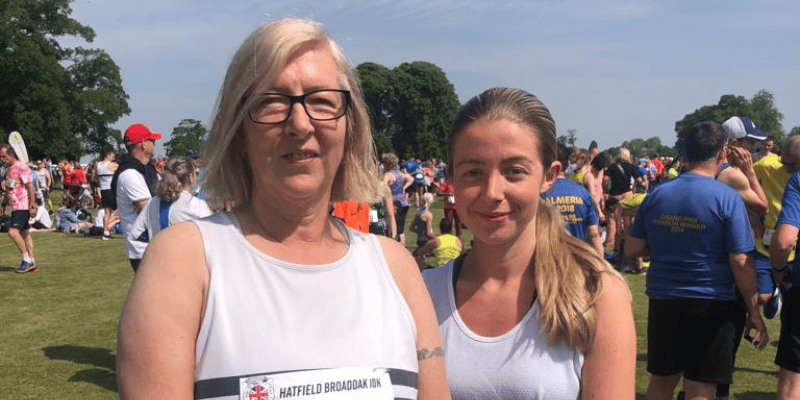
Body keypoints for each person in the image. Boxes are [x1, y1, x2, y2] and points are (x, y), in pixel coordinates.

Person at [116, 18, 449, 400]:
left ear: (350, 126)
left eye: (322, 101)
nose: (300, 123)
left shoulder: (396, 267)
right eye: (272, 103)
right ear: (239, 131)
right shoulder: (185, 262)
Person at [423, 87, 635, 399]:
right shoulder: (422, 294)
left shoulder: (596, 294)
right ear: (452, 177)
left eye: (514, 171)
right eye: (473, 172)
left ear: (549, 176)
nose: (492, 191)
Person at [626, 121, 768, 400]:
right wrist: (753, 311)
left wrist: (671, 245)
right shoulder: (728, 198)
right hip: (712, 301)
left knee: (661, 381)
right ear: (721, 155)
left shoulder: (658, 193)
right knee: (701, 388)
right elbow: (740, 260)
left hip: (664, 298)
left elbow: (632, 248)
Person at [769, 135, 800, 400]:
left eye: (788, 165)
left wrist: (778, 272)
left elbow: (783, 242)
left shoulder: (798, 182)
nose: (785, 170)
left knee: (792, 374)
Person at [112, 123, 161, 271]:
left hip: (152, 244)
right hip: (143, 249)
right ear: (143, 144)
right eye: (151, 140)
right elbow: (148, 211)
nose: (155, 143)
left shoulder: (145, 170)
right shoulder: (130, 174)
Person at [127, 157, 212, 242]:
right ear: (191, 177)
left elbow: (133, 235)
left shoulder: (153, 202)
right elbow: (213, 237)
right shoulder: (197, 205)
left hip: (157, 253)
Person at [542, 143, 603, 255]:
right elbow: (594, 235)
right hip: (577, 258)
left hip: (548, 258)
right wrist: (601, 268)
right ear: (568, 163)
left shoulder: (540, 194)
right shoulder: (583, 193)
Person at [1, 144, 38, 273]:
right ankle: (32, 262)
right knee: (25, 233)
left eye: (4, 156)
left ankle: (26, 260)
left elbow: (30, 186)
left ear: (11, 154)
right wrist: (3, 204)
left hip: (22, 205)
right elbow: (8, 190)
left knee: (12, 231)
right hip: (14, 206)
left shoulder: (22, 168)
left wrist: (32, 204)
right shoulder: (9, 170)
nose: (2, 159)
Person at [383, 152, 413, 242]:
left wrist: (379, 184)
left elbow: (383, 184)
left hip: (394, 203)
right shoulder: (399, 174)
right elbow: (411, 179)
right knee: (401, 230)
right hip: (404, 202)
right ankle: (403, 248)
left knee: (392, 227)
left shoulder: (388, 175)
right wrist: (404, 188)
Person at [96, 151, 118, 239]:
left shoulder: (98, 165)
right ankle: (106, 231)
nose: (113, 159)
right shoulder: (111, 165)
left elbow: (95, 177)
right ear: (107, 155)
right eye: (112, 157)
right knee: (111, 212)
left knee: (107, 212)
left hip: (103, 189)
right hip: (110, 189)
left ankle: (106, 231)